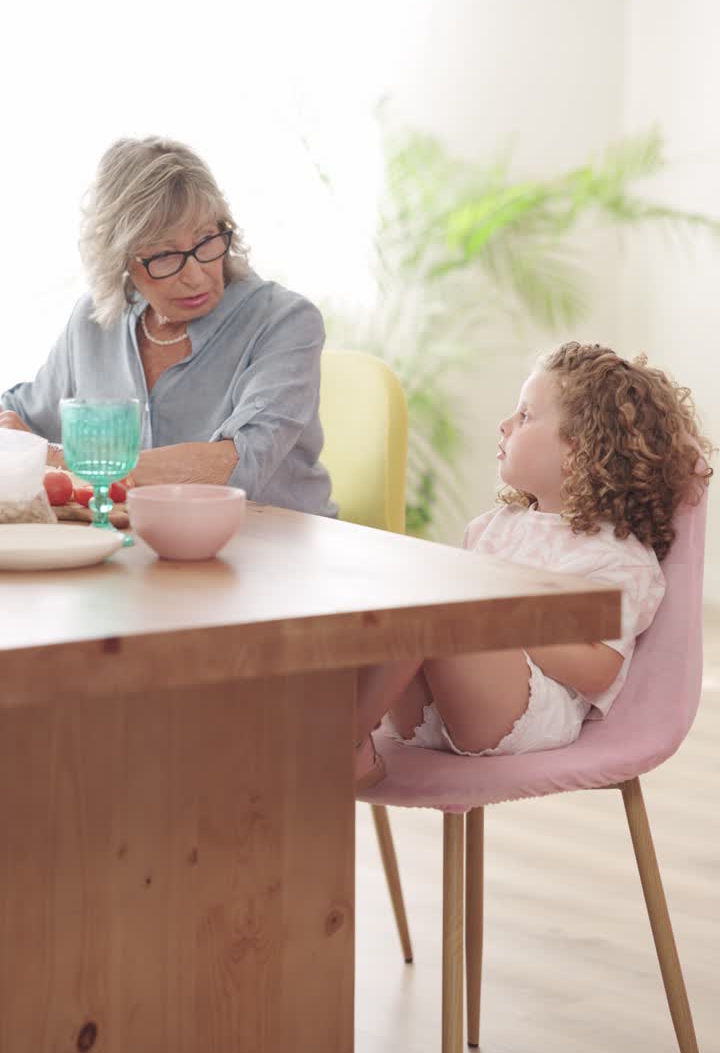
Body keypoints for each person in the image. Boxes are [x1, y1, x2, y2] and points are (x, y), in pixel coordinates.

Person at [355, 342, 713, 788]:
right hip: (428, 715)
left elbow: (601, 667)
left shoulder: (616, 556)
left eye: (524, 416)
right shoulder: (493, 528)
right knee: (408, 590)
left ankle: (346, 740)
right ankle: (348, 730)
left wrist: (501, 624)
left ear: (576, 452)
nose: (505, 425)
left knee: (450, 609)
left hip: (527, 713)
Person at [0, 136, 337, 517]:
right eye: (164, 255)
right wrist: (13, 435)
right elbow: (22, 416)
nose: (195, 275)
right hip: (137, 552)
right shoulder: (94, 322)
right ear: (122, 261)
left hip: (273, 554)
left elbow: (235, 465)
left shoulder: (286, 322)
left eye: (207, 240)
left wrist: (57, 457)